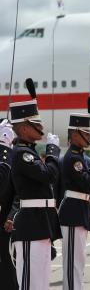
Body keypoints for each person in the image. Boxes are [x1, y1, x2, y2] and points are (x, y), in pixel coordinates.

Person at [9, 79, 63, 290]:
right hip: (30, 225)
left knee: (41, 280)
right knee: (30, 280)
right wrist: (52, 152)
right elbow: (49, 175)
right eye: (36, 124)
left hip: (41, 223)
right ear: (23, 128)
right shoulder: (22, 154)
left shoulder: (28, 152)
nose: (41, 128)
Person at [58, 106, 90, 290]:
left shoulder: (80, 156)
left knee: (79, 259)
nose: (89, 137)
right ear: (75, 134)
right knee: (73, 260)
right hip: (73, 211)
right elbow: (85, 182)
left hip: (79, 209)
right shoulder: (73, 158)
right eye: (86, 133)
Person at [0, 119, 18, 289]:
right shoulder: (6, 157)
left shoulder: (13, 157)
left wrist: (12, 215)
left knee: (8, 271)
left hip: (5, 221)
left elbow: (17, 192)